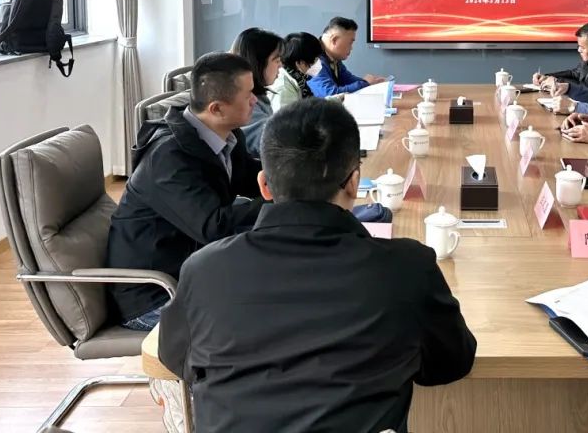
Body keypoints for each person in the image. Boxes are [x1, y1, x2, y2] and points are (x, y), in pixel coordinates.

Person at [158, 98, 477, 433]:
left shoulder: (204, 270)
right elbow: (451, 362)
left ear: (264, 185)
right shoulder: (408, 268)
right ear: (353, 182)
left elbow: (175, 356)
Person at [106, 52, 265, 332]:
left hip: (197, 273)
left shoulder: (224, 135)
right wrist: (277, 204)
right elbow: (213, 226)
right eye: (248, 95)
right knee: (263, 317)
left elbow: (250, 177)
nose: (255, 100)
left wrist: (296, 178)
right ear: (216, 108)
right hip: (157, 296)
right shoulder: (169, 157)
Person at [230, 27, 283, 157]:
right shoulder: (242, 100)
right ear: (257, 63)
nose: (281, 65)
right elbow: (270, 142)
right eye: (276, 60)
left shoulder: (257, 95)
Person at [308, 16, 386, 97]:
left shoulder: (333, 57)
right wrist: (365, 83)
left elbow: (348, 79)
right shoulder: (313, 60)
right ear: (334, 40)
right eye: (350, 43)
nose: (351, 48)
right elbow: (329, 94)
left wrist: (373, 82)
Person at [533, 21, 588, 91]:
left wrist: (557, 81)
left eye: (582, 47)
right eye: (578, 46)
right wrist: (546, 77)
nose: (579, 50)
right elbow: (574, 74)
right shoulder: (587, 62)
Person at [268, 31, 322, 111]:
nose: (318, 63)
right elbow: (286, 117)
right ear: (300, 63)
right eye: (315, 60)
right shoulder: (284, 87)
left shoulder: (299, 78)